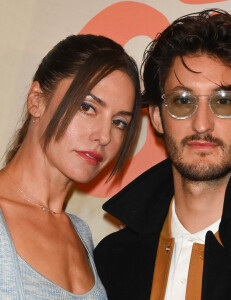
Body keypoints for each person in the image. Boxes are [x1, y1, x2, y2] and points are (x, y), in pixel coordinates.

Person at [94, 9, 231, 300]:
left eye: (224, 101)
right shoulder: (111, 259)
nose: (202, 123)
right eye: (182, 101)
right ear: (156, 116)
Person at [0, 34, 141, 299]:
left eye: (119, 122)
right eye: (87, 107)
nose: (105, 136)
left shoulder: (80, 234)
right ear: (37, 100)